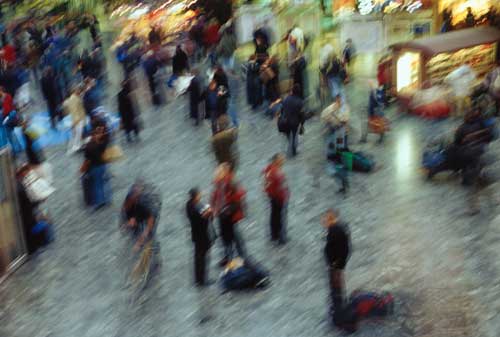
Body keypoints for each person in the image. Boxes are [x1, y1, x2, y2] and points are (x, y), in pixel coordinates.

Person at [210, 163, 247, 267]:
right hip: (221, 214)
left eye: (219, 171)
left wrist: (229, 210)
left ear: (225, 172)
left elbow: (240, 195)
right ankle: (228, 256)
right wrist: (213, 207)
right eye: (217, 171)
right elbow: (215, 196)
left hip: (230, 214)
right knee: (224, 236)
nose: (216, 173)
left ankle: (240, 255)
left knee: (233, 235)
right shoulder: (218, 182)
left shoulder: (231, 182)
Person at [322, 209, 351, 327]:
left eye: (326, 218)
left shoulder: (335, 230)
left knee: (336, 290)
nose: (323, 221)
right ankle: (337, 314)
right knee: (336, 290)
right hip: (335, 265)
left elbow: (342, 250)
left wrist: (335, 266)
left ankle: (338, 317)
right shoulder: (336, 229)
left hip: (335, 266)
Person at [186, 188, 215, 286]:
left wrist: (207, 212)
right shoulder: (193, 207)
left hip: (197, 235)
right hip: (201, 235)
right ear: (195, 196)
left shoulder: (190, 205)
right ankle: (202, 280)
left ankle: (199, 279)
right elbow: (201, 217)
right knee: (201, 258)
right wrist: (209, 212)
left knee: (199, 257)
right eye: (199, 195)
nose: (200, 196)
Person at [80, 125, 111, 210]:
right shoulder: (101, 143)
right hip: (102, 165)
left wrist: (83, 169)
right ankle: (106, 199)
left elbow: (87, 160)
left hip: (94, 167)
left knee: (96, 185)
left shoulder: (88, 147)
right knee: (103, 182)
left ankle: (99, 202)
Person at [263, 153, 289, 244]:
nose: (283, 160)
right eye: (281, 159)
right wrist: (284, 196)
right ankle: (281, 237)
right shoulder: (277, 173)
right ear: (276, 161)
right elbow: (280, 187)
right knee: (279, 217)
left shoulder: (269, 169)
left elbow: (266, 183)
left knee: (274, 216)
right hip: (278, 198)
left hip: (273, 197)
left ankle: (274, 235)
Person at [281, 84, 305, 156]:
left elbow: (282, 110)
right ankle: (293, 152)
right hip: (294, 123)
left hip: (285, 121)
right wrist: (302, 124)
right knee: (294, 137)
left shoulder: (286, 99)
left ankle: (290, 146)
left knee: (289, 136)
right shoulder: (300, 102)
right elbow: (302, 115)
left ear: (292, 91)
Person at [62, 86, 86, 154]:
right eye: (77, 90)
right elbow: (74, 111)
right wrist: (75, 121)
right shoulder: (73, 99)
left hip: (77, 119)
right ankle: (75, 147)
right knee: (76, 134)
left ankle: (77, 146)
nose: (79, 92)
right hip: (77, 120)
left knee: (76, 134)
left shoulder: (74, 98)